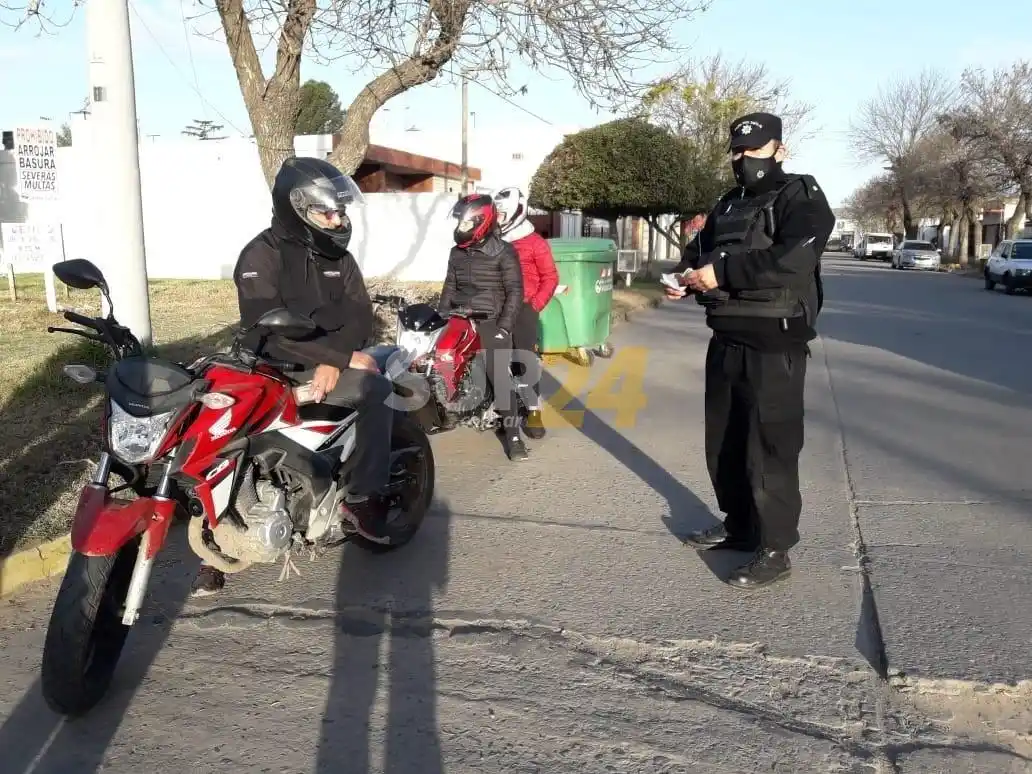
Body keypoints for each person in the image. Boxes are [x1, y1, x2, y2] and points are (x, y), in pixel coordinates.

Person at [191, 156, 395, 596]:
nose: (337, 220)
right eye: (328, 211)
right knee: (218, 431)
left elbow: (360, 315)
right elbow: (266, 325)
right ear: (297, 207)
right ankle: (213, 546)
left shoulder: (339, 257)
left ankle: (362, 499)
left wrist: (337, 357)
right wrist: (332, 357)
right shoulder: (259, 256)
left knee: (376, 389)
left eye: (340, 211)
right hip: (273, 362)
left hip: (330, 360)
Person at [665, 111, 835, 589]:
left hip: (773, 340)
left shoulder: (801, 193)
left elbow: (796, 255)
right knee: (725, 443)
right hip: (727, 337)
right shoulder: (729, 202)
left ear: (779, 149)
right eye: (737, 151)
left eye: (754, 150)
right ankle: (740, 526)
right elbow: (699, 250)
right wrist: (686, 277)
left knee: (771, 448)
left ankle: (776, 547)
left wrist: (724, 275)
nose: (744, 160)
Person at [438, 192, 527, 461]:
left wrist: (504, 327)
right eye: (459, 223)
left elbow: (515, 292)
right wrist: (442, 314)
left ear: (482, 221)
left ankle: (513, 437)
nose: (460, 229)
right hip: (460, 317)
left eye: (466, 224)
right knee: (436, 360)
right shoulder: (456, 253)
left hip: (492, 320)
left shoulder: (504, 251)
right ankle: (448, 409)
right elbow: (450, 286)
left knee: (498, 374)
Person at [493, 185, 559, 439]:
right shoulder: (494, 241)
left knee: (524, 362)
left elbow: (550, 277)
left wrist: (534, 306)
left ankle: (533, 412)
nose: (499, 219)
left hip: (524, 309)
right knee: (496, 362)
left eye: (502, 214)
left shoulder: (534, 242)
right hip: (497, 308)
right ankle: (504, 413)